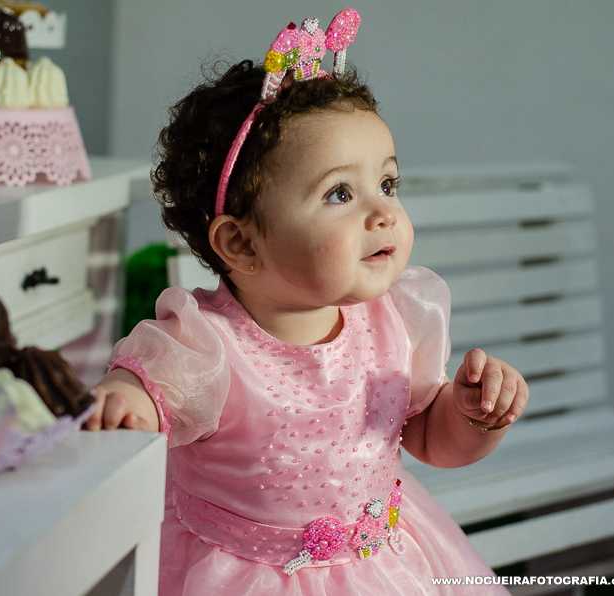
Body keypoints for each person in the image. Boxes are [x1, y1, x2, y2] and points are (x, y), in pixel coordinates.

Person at [85, 10, 527, 595]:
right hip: (240, 574)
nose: (383, 212)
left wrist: (472, 417)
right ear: (242, 243)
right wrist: (125, 399)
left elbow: (425, 436)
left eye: (387, 184)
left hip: (382, 568)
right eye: (340, 193)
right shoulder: (208, 344)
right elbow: (148, 383)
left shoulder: (395, 323)